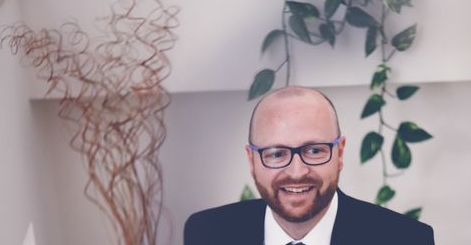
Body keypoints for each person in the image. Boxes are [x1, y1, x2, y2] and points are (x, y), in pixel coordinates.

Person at [184, 86, 435, 244]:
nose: (297, 172)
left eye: (314, 150)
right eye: (276, 153)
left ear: (340, 153)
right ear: (252, 160)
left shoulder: (407, 239)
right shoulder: (206, 233)